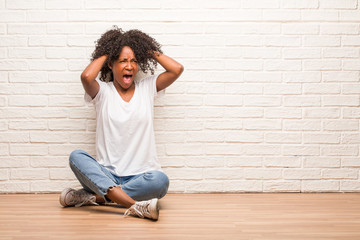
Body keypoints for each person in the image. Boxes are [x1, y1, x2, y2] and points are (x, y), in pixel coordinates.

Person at [59, 26, 184, 220]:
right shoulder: (102, 92)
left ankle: (95, 198)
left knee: (160, 181)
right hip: (106, 175)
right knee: (76, 156)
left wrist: (146, 48)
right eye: (123, 60)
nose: (130, 66)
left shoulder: (147, 88)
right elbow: (86, 76)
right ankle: (135, 206)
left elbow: (177, 69)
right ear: (111, 64)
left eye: (134, 60)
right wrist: (109, 50)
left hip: (141, 176)